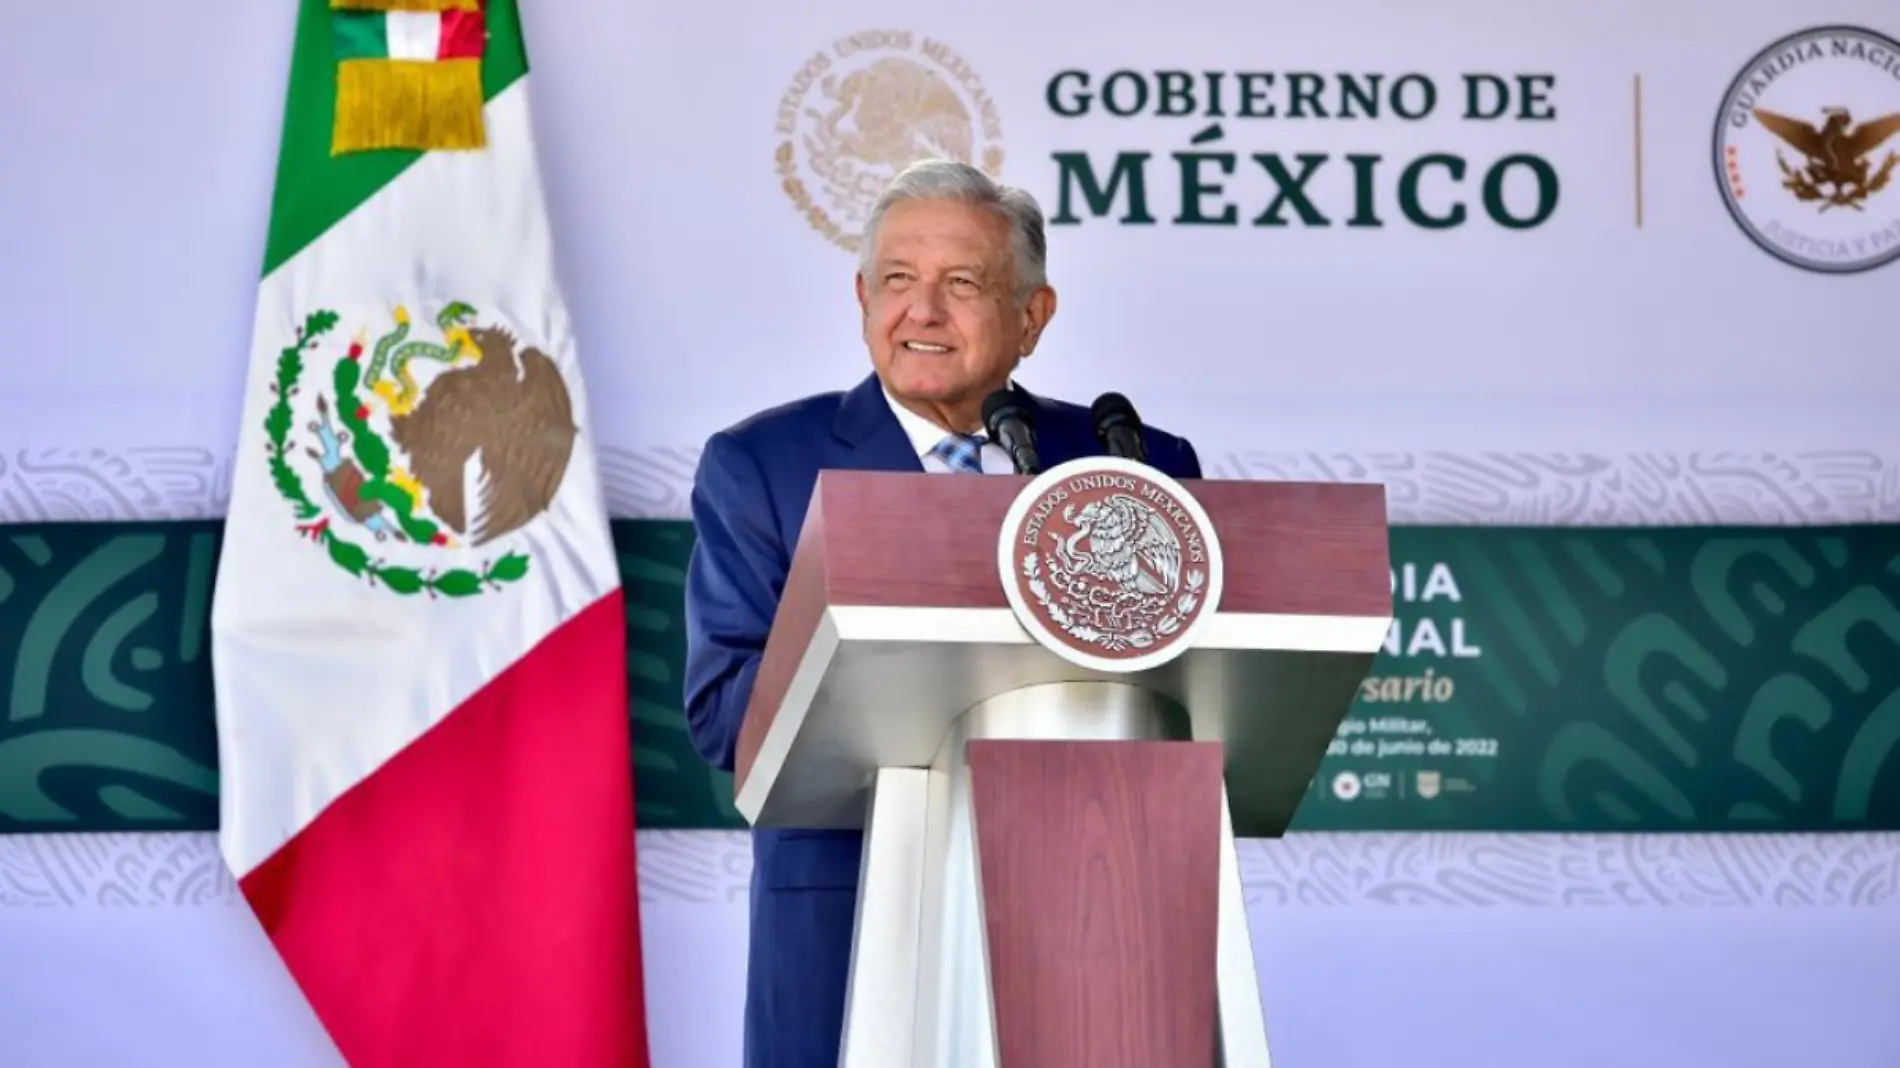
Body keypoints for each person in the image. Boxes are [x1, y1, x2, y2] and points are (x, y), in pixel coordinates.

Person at [680, 158, 1203, 1068]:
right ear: (861, 298)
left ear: (1032, 317)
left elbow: (1199, 687)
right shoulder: (764, 464)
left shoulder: (1132, 462)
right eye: (896, 282)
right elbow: (726, 713)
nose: (921, 311)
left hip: (1094, 906)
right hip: (853, 914)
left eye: (961, 283)